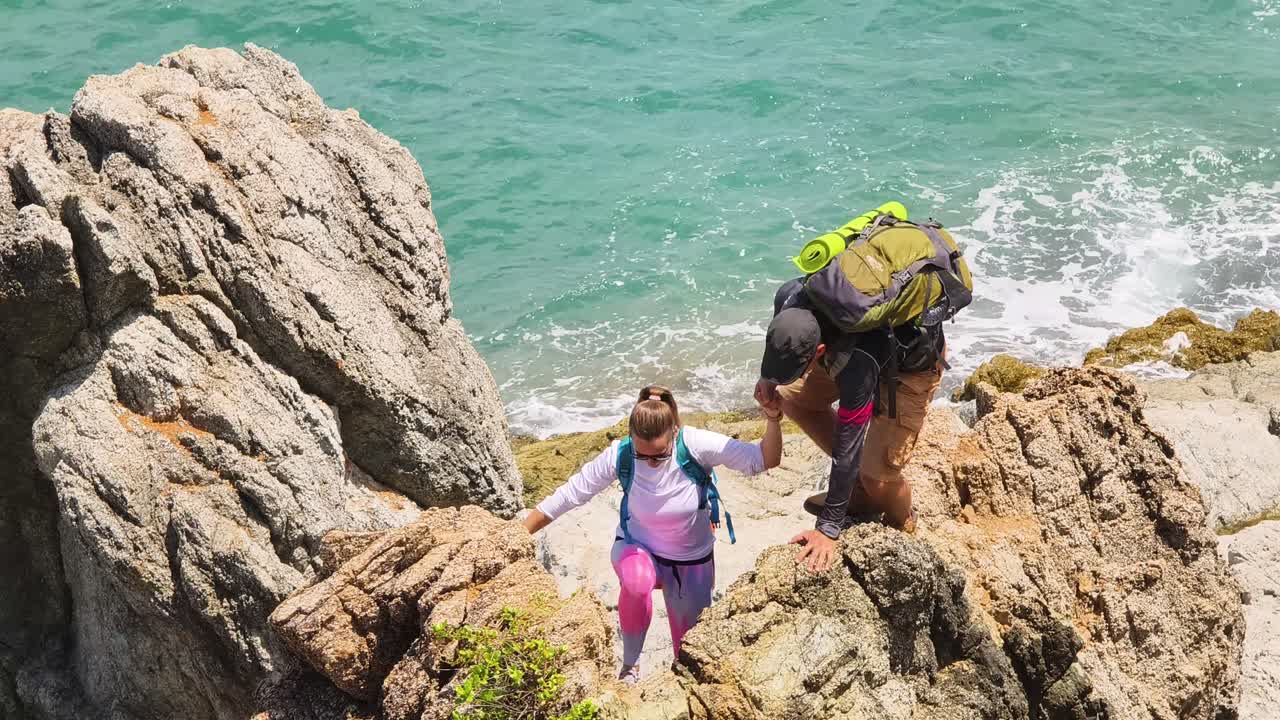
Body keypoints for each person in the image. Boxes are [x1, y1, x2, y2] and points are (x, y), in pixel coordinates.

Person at [523, 384, 783, 684]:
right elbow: (571, 494)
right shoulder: (620, 454)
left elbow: (763, 459)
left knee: (688, 649)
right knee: (636, 580)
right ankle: (630, 667)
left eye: (658, 456)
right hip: (636, 547)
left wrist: (773, 419)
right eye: (641, 454)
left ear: (674, 432)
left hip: (690, 560)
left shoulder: (696, 444)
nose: (649, 462)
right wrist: (520, 532)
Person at [755, 278, 946, 573]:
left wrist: (829, 528)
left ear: (817, 352)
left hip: (909, 367)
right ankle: (858, 491)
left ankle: (904, 522)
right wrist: (770, 377)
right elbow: (781, 346)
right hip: (852, 345)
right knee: (792, 399)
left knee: (878, 478)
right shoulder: (789, 298)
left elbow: (848, 442)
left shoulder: (857, 361)